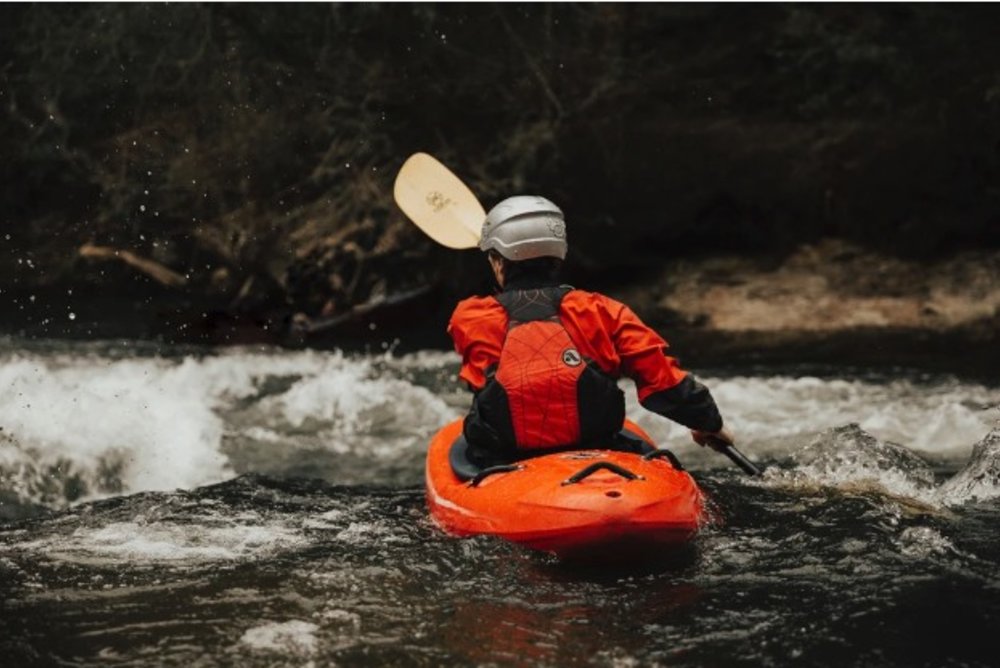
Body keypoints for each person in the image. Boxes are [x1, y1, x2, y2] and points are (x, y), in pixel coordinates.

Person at [447, 195, 735, 466]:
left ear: (498, 263)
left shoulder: (470, 317)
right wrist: (709, 424)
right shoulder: (604, 311)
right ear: (559, 256)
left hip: (504, 457)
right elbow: (663, 382)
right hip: (598, 448)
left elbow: (485, 378)